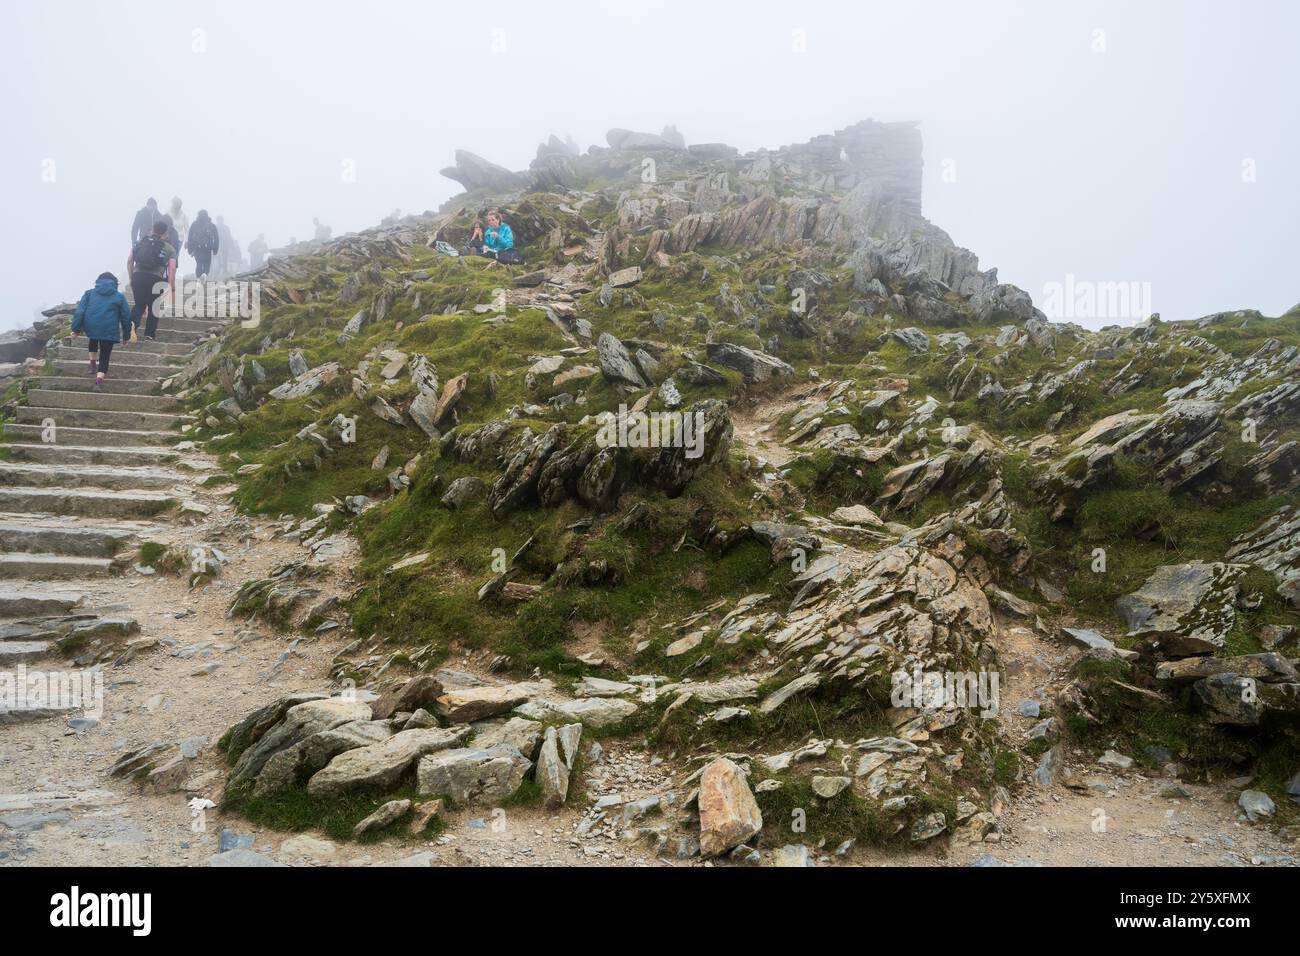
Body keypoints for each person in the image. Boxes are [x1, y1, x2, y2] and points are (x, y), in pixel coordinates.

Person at [70, 272, 131, 389]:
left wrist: (75, 329)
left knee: (93, 339)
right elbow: (126, 317)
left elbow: (80, 312)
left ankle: (92, 364)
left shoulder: (89, 293)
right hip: (109, 328)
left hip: (91, 325)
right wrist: (126, 336)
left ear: (98, 281)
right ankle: (98, 382)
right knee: (105, 354)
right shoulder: (119, 297)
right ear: (114, 283)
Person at [126, 220, 176, 340]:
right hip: (156, 279)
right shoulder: (169, 248)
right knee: (154, 306)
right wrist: (170, 285)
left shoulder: (140, 243)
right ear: (165, 233)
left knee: (139, 305)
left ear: (152, 230)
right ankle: (149, 334)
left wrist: (131, 278)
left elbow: (129, 260)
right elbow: (172, 268)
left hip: (138, 276)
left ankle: (131, 328)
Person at [187, 209, 220, 279]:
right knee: (206, 263)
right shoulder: (211, 225)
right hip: (208, 248)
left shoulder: (194, 224)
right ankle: (204, 275)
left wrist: (190, 248)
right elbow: (216, 238)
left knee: (199, 262)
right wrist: (215, 249)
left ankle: (199, 277)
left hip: (197, 247)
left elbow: (190, 236)